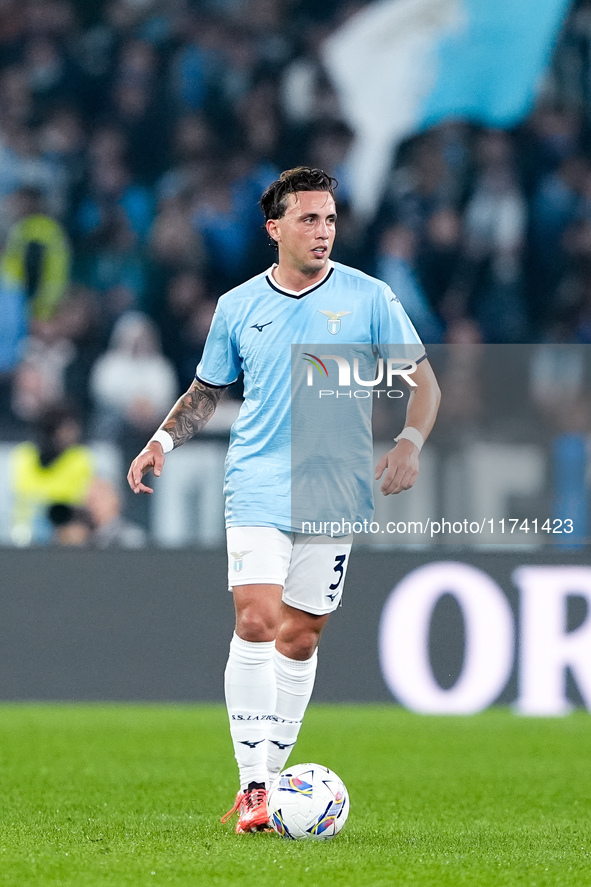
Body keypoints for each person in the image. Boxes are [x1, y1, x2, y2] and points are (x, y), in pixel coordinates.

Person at [127, 167, 440, 833]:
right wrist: (162, 440)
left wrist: (409, 441)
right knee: (258, 620)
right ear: (275, 228)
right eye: (308, 219)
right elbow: (207, 389)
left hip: (335, 489)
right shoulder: (238, 305)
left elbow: (425, 384)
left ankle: (268, 777)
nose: (322, 231)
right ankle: (256, 787)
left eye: (328, 219)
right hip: (259, 481)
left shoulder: (370, 297)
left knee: (301, 635)